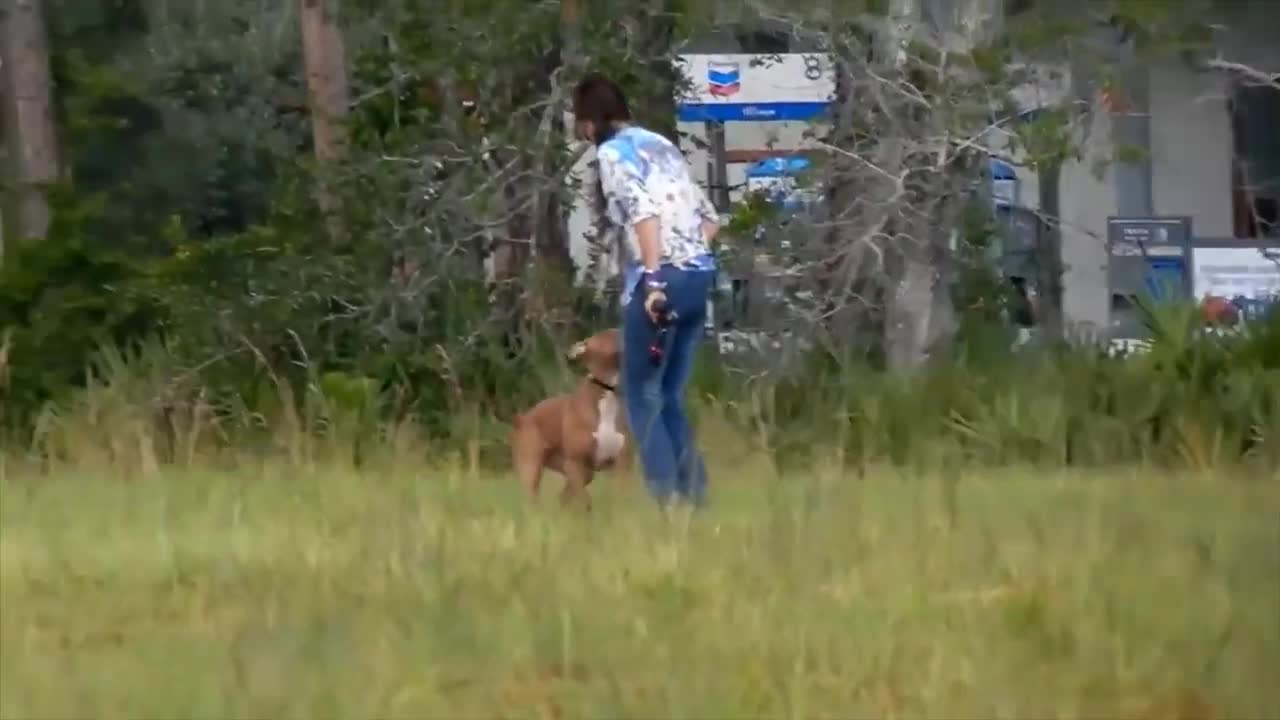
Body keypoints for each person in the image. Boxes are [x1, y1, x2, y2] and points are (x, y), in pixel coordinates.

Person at [572, 72, 720, 508]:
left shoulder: (613, 155)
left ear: (588, 124)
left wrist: (655, 279)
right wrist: (688, 254)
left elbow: (643, 213)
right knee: (670, 392)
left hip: (661, 280)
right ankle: (696, 497)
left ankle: (667, 499)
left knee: (640, 393)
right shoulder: (660, 144)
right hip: (698, 273)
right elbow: (709, 217)